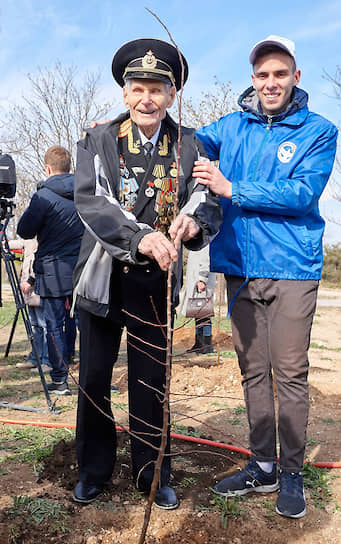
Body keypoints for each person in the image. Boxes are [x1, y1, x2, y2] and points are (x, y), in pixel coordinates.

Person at [72, 38, 222, 509]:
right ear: (124, 93)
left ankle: (151, 474)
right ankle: (94, 470)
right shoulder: (97, 140)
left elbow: (207, 199)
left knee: (150, 383)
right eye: (137, 88)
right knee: (94, 379)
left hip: (155, 284)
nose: (146, 99)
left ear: (171, 95)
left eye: (157, 89)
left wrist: (195, 222)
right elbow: (93, 201)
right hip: (103, 279)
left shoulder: (191, 144)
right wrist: (139, 237)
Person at [193, 35, 338, 519]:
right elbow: (187, 138)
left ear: (296, 77)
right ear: (252, 79)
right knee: (253, 371)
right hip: (238, 268)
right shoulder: (231, 127)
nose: (270, 82)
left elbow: (301, 193)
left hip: (292, 269)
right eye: (262, 75)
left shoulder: (320, 130)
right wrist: (127, 127)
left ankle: (291, 471)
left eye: (280, 74)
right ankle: (262, 464)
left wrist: (233, 188)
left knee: (290, 373)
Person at [17, 146, 84, 395]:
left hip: (52, 270)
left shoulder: (43, 196)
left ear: (47, 169)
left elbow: (24, 231)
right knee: (79, 323)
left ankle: (60, 379)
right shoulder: (85, 191)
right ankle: (87, 377)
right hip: (82, 269)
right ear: (69, 167)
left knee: (54, 325)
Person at [9, 238, 51, 372]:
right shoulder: (30, 238)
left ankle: (46, 361)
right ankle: (35, 359)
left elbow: (42, 262)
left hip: (39, 286)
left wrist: (31, 281)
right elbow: (18, 243)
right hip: (28, 290)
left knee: (44, 326)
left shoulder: (44, 236)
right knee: (35, 326)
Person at [180, 245, 216, 354]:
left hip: (201, 283)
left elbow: (206, 261)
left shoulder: (205, 243)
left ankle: (207, 345)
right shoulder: (196, 243)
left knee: (204, 315)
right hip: (196, 282)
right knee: (197, 314)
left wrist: (202, 279)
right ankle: (199, 343)